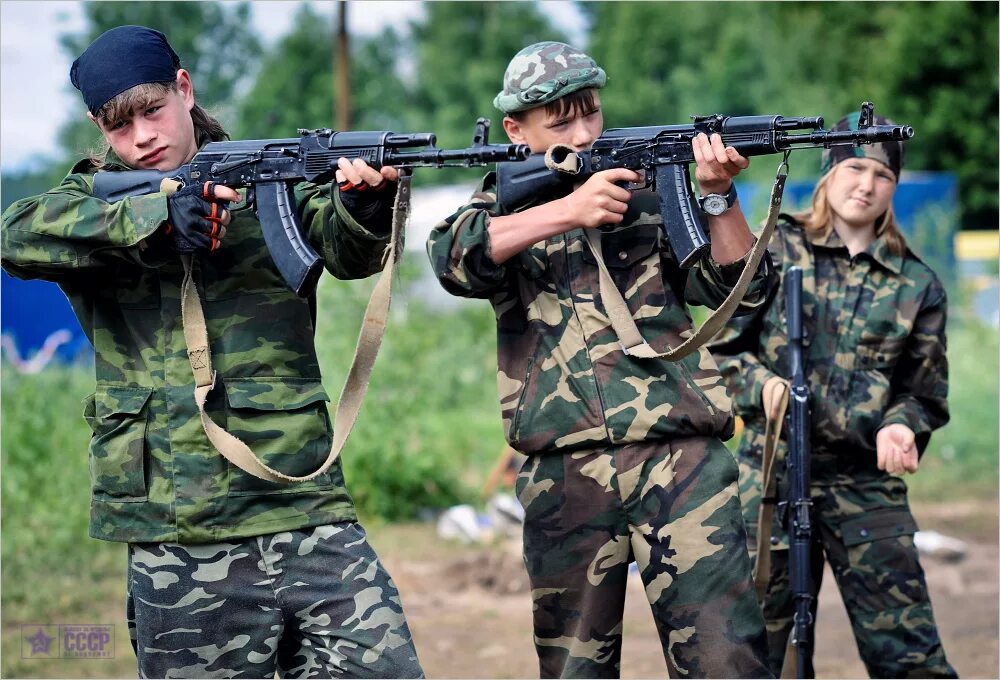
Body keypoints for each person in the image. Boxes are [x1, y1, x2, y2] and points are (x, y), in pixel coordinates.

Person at [1, 25, 423, 678]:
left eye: (152, 111)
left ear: (184, 88)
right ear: (96, 125)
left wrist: (363, 204)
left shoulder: (267, 180)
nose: (141, 136)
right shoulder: (91, 204)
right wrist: (157, 220)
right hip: (177, 522)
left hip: (302, 500)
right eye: (119, 125)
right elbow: (15, 235)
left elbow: (347, 254)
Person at [427, 41, 775, 678]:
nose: (584, 134)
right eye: (561, 123)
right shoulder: (501, 205)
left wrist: (719, 197)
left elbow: (740, 293)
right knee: (574, 668)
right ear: (515, 130)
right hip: (564, 474)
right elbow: (451, 258)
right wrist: (568, 210)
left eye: (591, 114)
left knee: (728, 660)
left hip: (682, 460)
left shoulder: (648, 193)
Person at [708, 110, 957, 678]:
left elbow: (922, 393)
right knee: (756, 656)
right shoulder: (773, 248)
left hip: (862, 483)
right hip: (767, 479)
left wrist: (901, 426)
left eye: (881, 175)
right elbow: (720, 351)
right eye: (854, 168)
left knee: (909, 655)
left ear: (895, 186)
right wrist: (763, 386)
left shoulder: (916, 285)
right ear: (828, 172)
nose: (865, 184)